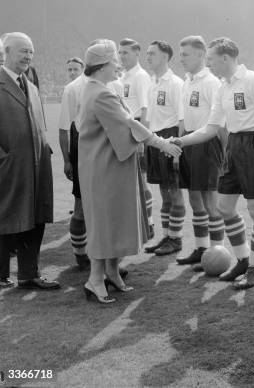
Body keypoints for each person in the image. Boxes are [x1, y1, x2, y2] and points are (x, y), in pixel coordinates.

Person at [77, 40, 181, 304]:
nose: (118, 67)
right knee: (104, 223)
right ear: (101, 67)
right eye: (114, 63)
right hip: (105, 168)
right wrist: (162, 144)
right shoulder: (100, 93)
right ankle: (95, 278)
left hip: (109, 166)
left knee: (112, 220)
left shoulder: (98, 88)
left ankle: (111, 271)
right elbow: (129, 124)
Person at [174, 37, 254, 289]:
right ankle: (243, 259)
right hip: (235, 146)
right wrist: (181, 141)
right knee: (224, 207)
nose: (209, 64)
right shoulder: (222, 87)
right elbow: (211, 126)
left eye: (211, 60)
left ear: (225, 58)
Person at [0, 33, 57, 290]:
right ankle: (1, 275)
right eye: (23, 51)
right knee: (6, 218)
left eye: (31, 51)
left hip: (36, 166)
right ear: (7, 52)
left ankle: (28, 274)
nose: (28, 56)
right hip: (9, 167)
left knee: (35, 218)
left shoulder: (31, 86)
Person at [174, 36, 227, 270]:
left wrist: (226, 156)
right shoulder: (187, 82)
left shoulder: (211, 82)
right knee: (195, 198)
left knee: (210, 201)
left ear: (200, 55)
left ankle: (218, 253)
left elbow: (221, 123)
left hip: (208, 144)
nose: (181, 58)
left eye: (185, 54)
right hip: (190, 143)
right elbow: (185, 119)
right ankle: (202, 249)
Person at [142, 41, 186, 256]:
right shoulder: (152, 83)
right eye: (147, 53)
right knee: (164, 192)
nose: (148, 57)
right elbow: (149, 119)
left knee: (175, 192)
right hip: (155, 140)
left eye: (152, 54)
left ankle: (176, 239)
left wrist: (177, 150)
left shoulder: (175, 83)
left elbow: (181, 120)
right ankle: (166, 236)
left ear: (165, 57)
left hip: (170, 139)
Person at [119, 38, 155, 237]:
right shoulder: (123, 77)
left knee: (142, 182)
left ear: (136, 54)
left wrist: (141, 139)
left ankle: (148, 224)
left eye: (126, 52)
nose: (122, 56)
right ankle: (141, 222)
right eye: (120, 52)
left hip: (136, 135)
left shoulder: (140, 77)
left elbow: (144, 109)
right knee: (133, 182)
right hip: (125, 135)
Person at [58, 57, 90, 269]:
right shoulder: (73, 89)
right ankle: (80, 255)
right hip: (82, 152)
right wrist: (67, 160)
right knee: (81, 207)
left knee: (101, 208)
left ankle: (103, 257)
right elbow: (63, 128)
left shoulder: (110, 83)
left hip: (105, 153)